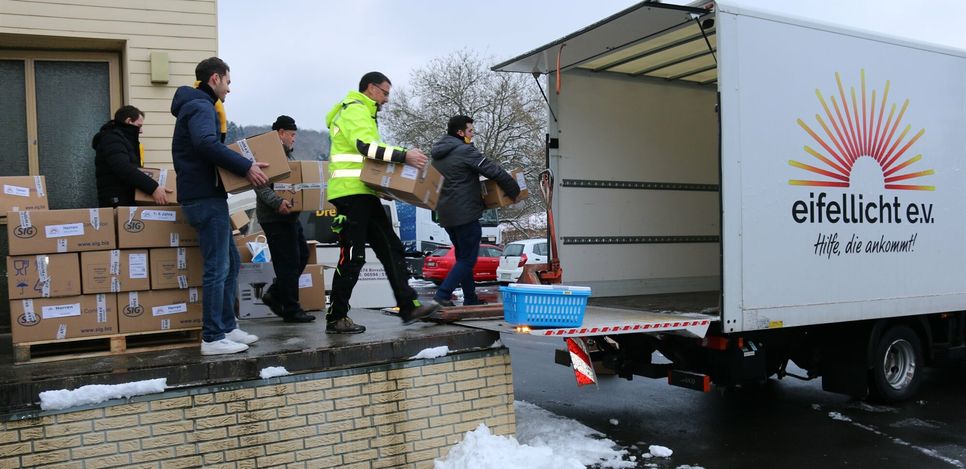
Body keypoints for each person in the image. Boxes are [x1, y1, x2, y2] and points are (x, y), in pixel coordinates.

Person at [324, 71, 439, 333]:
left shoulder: (364, 113)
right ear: (371, 88)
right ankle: (336, 318)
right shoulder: (355, 110)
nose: (386, 99)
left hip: (363, 193)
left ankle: (408, 306)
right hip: (350, 195)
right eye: (385, 93)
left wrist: (381, 186)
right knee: (353, 257)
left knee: (392, 247)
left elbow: (369, 159)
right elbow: (367, 148)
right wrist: (404, 156)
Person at [171, 57, 270, 355]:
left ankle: (227, 327)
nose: (230, 88)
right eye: (228, 81)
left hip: (207, 195)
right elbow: (205, 143)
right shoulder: (201, 106)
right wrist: (246, 167)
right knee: (218, 267)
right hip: (203, 196)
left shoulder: (196, 104)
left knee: (231, 262)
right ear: (215, 79)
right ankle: (212, 338)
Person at [430, 115, 520, 306]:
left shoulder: (438, 155)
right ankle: (442, 295)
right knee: (468, 260)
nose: (473, 134)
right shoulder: (464, 151)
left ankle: (470, 298)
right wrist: (514, 191)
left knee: (463, 259)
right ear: (460, 132)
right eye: (470, 130)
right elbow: (492, 170)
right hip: (465, 213)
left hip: (446, 215)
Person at [254, 115, 315, 323]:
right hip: (274, 217)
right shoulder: (267, 153)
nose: (294, 138)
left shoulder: (287, 157)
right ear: (280, 133)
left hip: (289, 216)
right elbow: (260, 185)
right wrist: (277, 203)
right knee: (287, 263)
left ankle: (275, 294)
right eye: (291, 134)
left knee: (302, 254)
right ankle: (291, 308)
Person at [92, 105, 172, 207]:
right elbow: (123, 167)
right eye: (139, 126)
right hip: (116, 201)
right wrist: (153, 188)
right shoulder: (112, 138)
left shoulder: (122, 140)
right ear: (129, 121)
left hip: (122, 199)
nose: (141, 131)